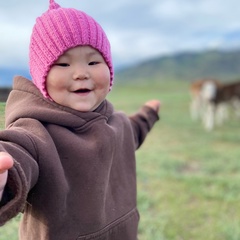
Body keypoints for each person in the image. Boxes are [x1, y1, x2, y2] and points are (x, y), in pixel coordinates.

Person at [0, 0, 160, 239]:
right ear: (42, 79)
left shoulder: (116, 122)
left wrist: (149, 113)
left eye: (94, 62)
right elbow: (18, 152)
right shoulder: (38, 133)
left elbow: (132, 130)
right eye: (63, 64)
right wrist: (6, 174)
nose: (81, 73)